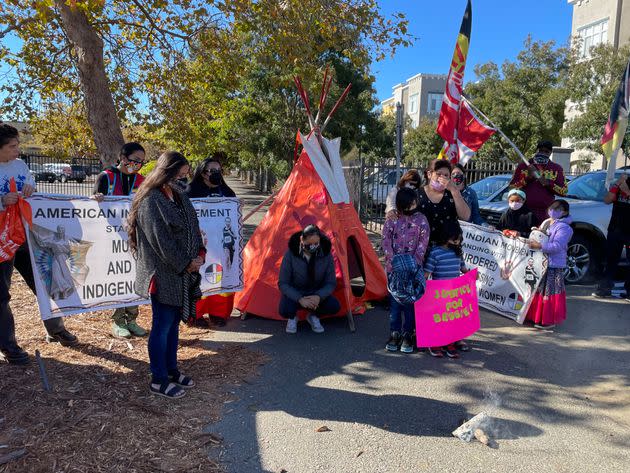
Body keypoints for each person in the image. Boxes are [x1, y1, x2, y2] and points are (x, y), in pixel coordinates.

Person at [128, 151, 205, 399]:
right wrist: (186, 264)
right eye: (180, 173)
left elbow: (194, 229)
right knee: (162, 326)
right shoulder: (151, 200)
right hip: (162, 274)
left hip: (181, 272)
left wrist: (199, 254)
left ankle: (171, 371)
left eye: (185, 173)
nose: (184, 178)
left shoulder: (179, 196)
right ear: (167, 172)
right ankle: (158, 379)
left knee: (173, 327)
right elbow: (161, 241)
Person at [0, 124, 78, 364]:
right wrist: (2, 201)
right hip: (2, 241)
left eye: (18, 145)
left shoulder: (20, 165)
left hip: (25, 235)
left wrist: (31, 190)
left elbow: (32, 192)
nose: (17, 150)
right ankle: (8, 346)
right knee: (1, 295)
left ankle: (55, 329)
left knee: (45, 282)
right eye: (12, 146)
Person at [93, 142, 147, 338]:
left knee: (134, 277)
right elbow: (92, 207)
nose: (138, 164)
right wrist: (97, 198)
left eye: (141, 161)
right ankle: (117, 322)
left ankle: (132, 319)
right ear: (124, 159)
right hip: (111, 238)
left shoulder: (141, 180)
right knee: (118, 278)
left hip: (135, 238)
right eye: (136, 160)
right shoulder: (106, 177)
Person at [187, 157, 237, 327]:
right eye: (211, 170)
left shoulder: (227, 192)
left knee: (220, 276)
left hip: (220, 244)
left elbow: (233, 216)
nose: (215, 174)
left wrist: (238, 205)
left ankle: (218, 313)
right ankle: (196, 314)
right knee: (199, 278)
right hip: (198, 244)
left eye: (218, 170)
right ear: (202, 173)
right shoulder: (190, 191)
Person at [382, 187, 430, 353]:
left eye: (415, 202)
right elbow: (386, 241)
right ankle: (394, 332)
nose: (414, 206)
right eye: (410, 203)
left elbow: (424, 242)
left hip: (412, 270)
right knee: (395, 303)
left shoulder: (421, 220)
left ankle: (408, 333)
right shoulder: (392, 220)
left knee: (410, 303)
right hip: (394, 269)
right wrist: (393, 261)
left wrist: (414, 262)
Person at [278, 224, 340, 334]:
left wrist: (319, 296)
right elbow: (283, 283)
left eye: (316, 243)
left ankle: (313, 316)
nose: (313, 247)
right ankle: (292, 318)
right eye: (309, 244)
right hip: (296, 292)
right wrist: (299, 298)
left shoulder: (326, 254)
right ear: (302, 239)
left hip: (316, 292)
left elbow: (331, 283)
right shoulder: (290, 254)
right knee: (284, 310)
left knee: (334, 306)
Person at [424, 220, 470, 358]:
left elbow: (464, 269)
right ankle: (435, 343)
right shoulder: (435, 253)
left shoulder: (457, 253)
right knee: (438, 320)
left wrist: (473, 275)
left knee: (451, 320)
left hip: (454, 293)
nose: (458, 240)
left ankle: (449, 343)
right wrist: (421, 286)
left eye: (459, 238)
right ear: (446, 236)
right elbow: (427, 273)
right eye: (456, 237)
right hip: (438, 294)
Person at [526, 199, 573, 329]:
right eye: (552, 208)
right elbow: (543, 235)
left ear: (565, 212)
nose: (552, 211)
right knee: (539, 291)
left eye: (557, 209)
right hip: (541, 262)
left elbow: (557, 246)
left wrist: (539, 245)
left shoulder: (564, 227)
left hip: (553, 265)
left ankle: (548, 320)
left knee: (549, 293)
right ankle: (536, 317)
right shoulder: (548, 222)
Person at [509, 140, 567, 225]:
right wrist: (527, 179)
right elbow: (512, 186)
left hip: (545, 213)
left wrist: (549, 184)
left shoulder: (556, 168)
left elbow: (564, 191)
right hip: (524, 211)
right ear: (536, 151)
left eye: (546, 151)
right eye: (540, 150)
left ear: (550, 153)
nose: (543, 153)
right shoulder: (524, 165)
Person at [592, 172, 630, 300]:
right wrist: (618, 183)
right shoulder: (622, 181)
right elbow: (607, 200)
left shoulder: (625, 184)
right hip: (616, 228)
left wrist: (624, 186)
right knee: (610, 259)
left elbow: (628, 194)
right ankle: (605, 288)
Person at [417, 159, 471, 246]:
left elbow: (465, 216)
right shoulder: (417, 194)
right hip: (421, 249)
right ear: (429, 174)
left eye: (446, 175)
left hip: (447, 249)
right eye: (438, 174)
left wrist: (454, 191)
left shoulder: (452, 194)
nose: (442, 178)